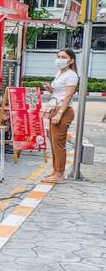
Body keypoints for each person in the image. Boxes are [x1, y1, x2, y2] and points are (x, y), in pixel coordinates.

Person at [42, 48, 79, 183]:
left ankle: (60, 174)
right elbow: (59, 91)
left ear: (71, 61)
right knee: (53, 141)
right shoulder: (60, 73)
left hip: (63, 110)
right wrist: (50, 88)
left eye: (63, 57)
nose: (60, 59)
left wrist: (60, 114)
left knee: (58, 143)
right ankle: (56, 170)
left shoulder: (71, 75)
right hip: (55, 108)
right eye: (58, 56)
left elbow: (68, 95)